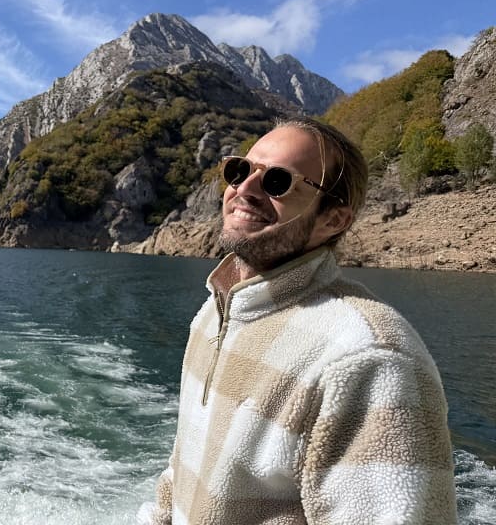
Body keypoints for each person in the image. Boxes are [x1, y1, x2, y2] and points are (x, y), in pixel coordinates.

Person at [138, 117, 456, 524]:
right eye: (240, 170)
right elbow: (182, 468)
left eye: (277, 183)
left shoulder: (369, 357)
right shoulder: (214, 313)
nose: (244, 189)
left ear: (333, 220)